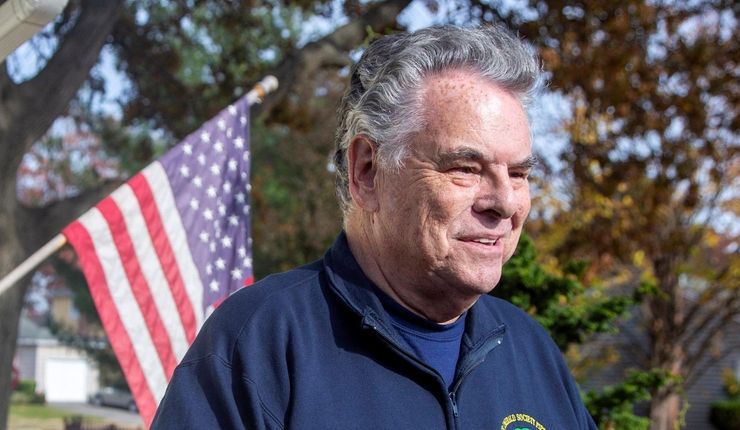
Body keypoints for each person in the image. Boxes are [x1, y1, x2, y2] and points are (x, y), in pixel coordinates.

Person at [151, 25, 597, 430]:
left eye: (518, 174)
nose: (503, 202)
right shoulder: (259, 346)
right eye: (465, 167)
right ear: (367, 170)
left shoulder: (532, 353)